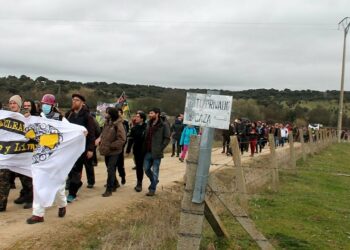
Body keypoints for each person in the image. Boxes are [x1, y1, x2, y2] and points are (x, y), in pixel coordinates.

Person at [26, 94, 67, 224]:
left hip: (56, 156)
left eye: (47, 104)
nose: (45, 106)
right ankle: (38, 214)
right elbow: (30, 133)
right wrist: (27, 120)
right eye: (43, 104)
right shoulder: (37, 118)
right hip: (41, 155)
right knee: (38, 183)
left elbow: (71, 130)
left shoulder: (60, 119)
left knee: (58, 186)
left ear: (53, 106)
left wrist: (81, 132)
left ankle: (62, 204)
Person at [0, 95, 33, 211]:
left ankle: (30, 199)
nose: (12, 105)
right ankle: (1, 204)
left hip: (22, 154)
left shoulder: (27, 117)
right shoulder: (5, 117)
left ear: (19, 105)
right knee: (3, 178)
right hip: (8, 154)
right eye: (10, 103)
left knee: (26, 178)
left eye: (14, 103)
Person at [65, 94, 96, 202]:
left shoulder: (88, 117)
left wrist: (91, 149)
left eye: (77, 100)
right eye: (73, 100)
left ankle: (72, 194)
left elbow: (92, 134)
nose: (74, 102)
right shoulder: (69, 114)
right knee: (68, 169)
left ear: (82, 103)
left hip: (81, 149)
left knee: (76, 171)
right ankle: (77, 183)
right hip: (69, 147)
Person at [95, 107, 126, 197]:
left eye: (107, 113)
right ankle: (115, 184)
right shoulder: (107, 123)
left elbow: (122, 139)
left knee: (111, 169)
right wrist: (100, 139)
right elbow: (103, 134)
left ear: (111, 114)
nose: (105, 114)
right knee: (109, 169)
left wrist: (111, 146)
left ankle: (109, 189)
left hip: (114, 151)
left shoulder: (118, 124)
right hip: (107, 150)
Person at [143, 108, 170, 196]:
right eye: (149, 113)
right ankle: (155, 181)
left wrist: (160, 148)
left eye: (151, 113)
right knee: (146, 169)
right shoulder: (148, 123)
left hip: (157, 152)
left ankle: (152, 189)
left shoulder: (164, 125)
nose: (149, 115)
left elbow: (167, 138)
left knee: (155, 171)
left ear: (157, 114)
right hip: (147, 151)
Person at [126, 111, 147, 192]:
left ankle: (153, 181)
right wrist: (128, 150)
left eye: (138, 117)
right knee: (139, 167)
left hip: (146, 150)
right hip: (137, 151)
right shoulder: (134, 128)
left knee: (147, 168)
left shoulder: (147, 127)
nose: (136, 118)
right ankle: (139, 183)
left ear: (142, 119)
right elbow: (131, 140)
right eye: (136, 116)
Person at [116, 108, 129, 185]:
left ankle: (122, 176)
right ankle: (113, 180)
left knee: (120, 164)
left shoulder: (125, 122)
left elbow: (126, 135)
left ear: (121, 113)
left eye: (119, 112)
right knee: (111, 165)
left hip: (121, 146)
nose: (118, 114)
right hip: (112, 147)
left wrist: (122, 145)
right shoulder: (111, 122)